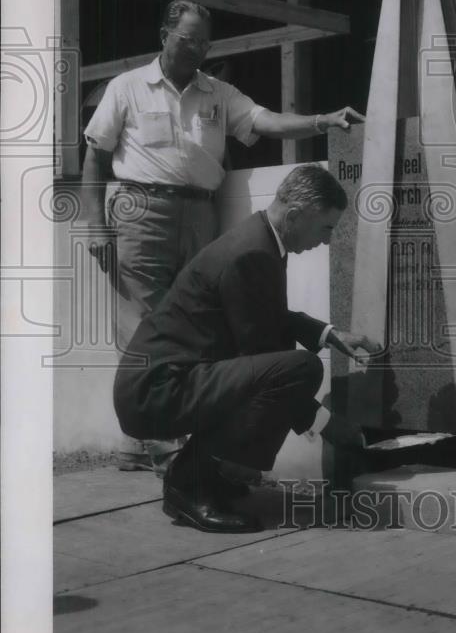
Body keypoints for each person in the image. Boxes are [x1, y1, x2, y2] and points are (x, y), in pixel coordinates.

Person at [81, 0, 365, 474]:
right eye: (189, 39)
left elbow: (263, 120)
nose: (198, 49)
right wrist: (94, 223)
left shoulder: (217, 92)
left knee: (196, 323)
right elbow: (94, 157)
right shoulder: (126, 87)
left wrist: (320, 120)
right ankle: (166, 449)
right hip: (141, 209)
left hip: (199, 211)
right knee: (145, 322)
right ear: (165, 35)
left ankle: (144, 442)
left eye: (205, 42)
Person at [113, 163, 381, 533]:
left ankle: (206, 476)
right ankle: (190, 486)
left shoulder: (261, 240)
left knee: (280, 368)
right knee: (300, 368)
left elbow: (262, 314)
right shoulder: (252, 252)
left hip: (164, 382)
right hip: (156, 390)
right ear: (294, 215)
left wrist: (329, 333)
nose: (328, 240)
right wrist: (327, 424)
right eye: (326, 228)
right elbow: (262, 361)